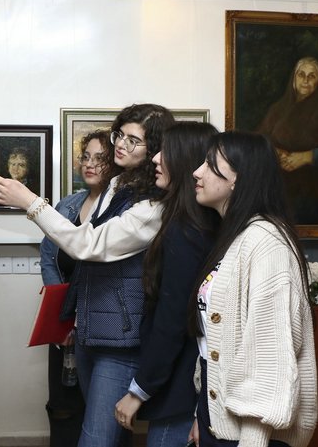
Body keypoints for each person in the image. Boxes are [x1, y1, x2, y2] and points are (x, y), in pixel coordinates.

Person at [0, 103, 176, 447]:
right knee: (104, 433)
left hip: (121, 343)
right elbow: (71, 251)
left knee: (95, 439)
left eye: (133, 140)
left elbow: (89, 245)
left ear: (155, 150)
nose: (121, 145)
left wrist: (30, 202)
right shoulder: (118, 185)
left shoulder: (153, 205)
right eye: (120, 135)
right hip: (90, 332)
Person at [188, 131, 317, 447]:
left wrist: (253, 440)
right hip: (219, 415)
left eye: (209, 164)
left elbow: (268, 358)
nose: (197, 172)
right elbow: (215, 341)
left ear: (238, 177)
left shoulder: (265, 242)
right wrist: (203, 413)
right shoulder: (236, 235)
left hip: (253, 432)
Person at [113, 122, 220, 447]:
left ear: (186, 161)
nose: (156, 159)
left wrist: (139, 390)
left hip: (183, 385)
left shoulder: (185, 231)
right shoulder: (201, 222)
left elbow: (173, 319)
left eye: (166, 152)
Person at [40, 129, 119, 447]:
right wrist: (63, 317)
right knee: (63, 406)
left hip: (102, 325)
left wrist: (79, 318)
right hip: (63, 325)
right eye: (85, 157)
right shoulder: (66, 205)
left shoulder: (123, 209)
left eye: (100, 158)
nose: (89, 164)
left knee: (104, 412)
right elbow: (48, 258)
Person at [256, 56, 318, 225]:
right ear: (294, 79)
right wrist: (275, 152)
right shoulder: (277, 109)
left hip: (315, 193)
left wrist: (307, 157)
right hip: (278, 189)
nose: (306, 80)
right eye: (301, 74)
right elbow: (258, 140)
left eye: (312, 76)